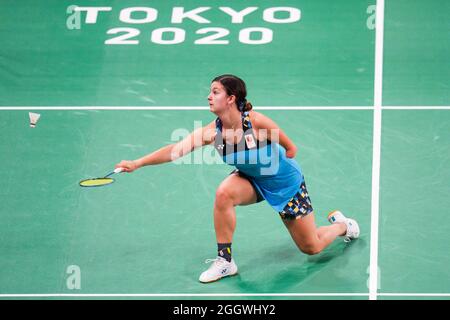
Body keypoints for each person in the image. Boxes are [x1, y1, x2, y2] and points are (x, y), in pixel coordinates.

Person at [115, 74, 360, 283]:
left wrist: (271, 158)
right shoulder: (212, 132)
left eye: (215, 92)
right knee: (224, 193)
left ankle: (342, 225)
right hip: (251, 179)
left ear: (231, 98)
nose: (209, 96)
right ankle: (225, 261)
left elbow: (290, 147)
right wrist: (137, 163)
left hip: (285, 185)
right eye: (210, 92)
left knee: (311, 247)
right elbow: (175, 150)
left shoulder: (255, 122)